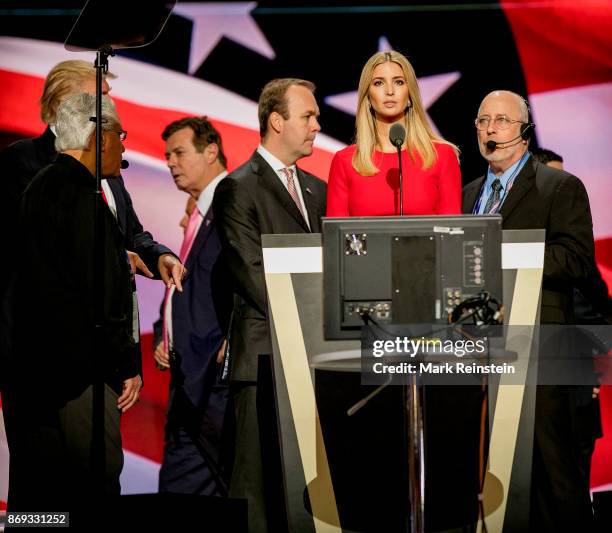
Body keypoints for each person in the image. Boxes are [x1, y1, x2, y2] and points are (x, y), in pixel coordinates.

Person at [463, 90, 596, 531]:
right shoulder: (469, 195)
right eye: (483, 121)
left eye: (501, 120)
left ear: (524, 130)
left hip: (544, 350)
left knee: (554, 477)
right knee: (493, 477)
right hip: (481, 354)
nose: (490, 129)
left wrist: (504, 252)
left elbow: (575, 260)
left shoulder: (560, 186)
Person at [6, 94, 141, 513]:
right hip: (81, 379)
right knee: (92, 496)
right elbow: (101, 299)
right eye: (120, 135)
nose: (124, 146)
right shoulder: (84, 201)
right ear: (97, 137)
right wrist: (127, 365)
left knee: (37, 500)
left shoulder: (38, 188)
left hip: (32, 376)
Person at [212, 78, 326, 532]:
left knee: (308, 492)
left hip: (315, 360)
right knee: (256, 492)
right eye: (308, 116)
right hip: (262, 360)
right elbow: (253, 275)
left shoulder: (318, 189)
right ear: (277, 121)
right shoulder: (238, 188)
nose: (317, 125)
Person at [151, 117, 231, 495]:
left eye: (179, 153)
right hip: (187, 383)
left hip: (216, 387)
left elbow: (247, 281)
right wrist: (163, 332)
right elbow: (185, 289)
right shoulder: (197, 210)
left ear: (210, 151)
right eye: (167, 155)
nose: (170, 162)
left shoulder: (233, 201)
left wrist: (233, 338)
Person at [326, 50, 461, 217]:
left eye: (398, 82)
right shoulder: (345, 162)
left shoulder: (442, 156)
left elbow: (452, 231)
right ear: (367, 98)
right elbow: (337, 237)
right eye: (378, 83)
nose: (389, 91)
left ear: (410, 95)